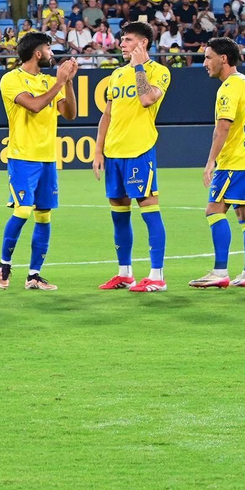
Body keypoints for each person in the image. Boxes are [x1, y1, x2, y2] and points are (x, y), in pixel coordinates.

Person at [90, 20, 170, 292]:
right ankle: (125, 273)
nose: (121, 44)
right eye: (121, 40)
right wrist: (98, 151)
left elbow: (147, 99)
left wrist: (138, 67)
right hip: (114, 153)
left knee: (149, 211)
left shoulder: (159, 71)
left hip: (139, 150)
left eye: (127, 40)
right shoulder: (116, 74)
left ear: (143, 43)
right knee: (119, 215)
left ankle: (157, 275)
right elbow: (108, 114)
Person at [0, 31, 78, 291]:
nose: (53, 54)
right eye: (49, 49)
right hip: (23, 157)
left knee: (44, 216)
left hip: (47, 158)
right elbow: (34, 106)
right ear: (38, 53)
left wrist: (68, 84)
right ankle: (4, 264)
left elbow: (70, 114)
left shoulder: (48, 81)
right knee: (23, 210)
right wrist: (59, 82)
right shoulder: (11, 79)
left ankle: (34, 275)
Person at [189, 39, 245, 289]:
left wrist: (211, 162)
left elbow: (223, 126)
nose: (205, 63)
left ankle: (220, 271)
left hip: (234, 160)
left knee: (214, 211)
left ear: (224, 58)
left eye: (209, 58)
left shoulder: (229, 87)